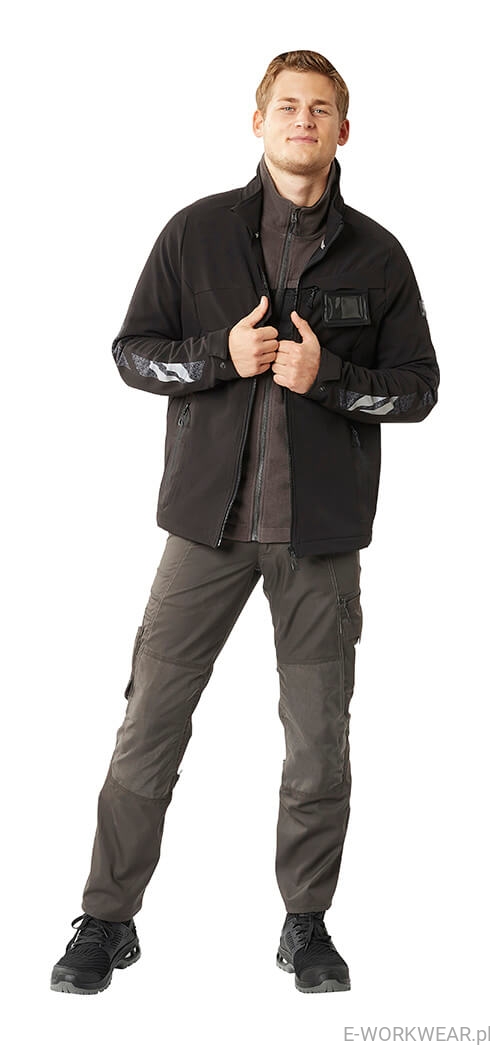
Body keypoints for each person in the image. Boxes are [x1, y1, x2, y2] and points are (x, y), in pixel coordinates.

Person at [50, 49, 440, 996]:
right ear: (257, 121)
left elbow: (419, 391)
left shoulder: (380, 256)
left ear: (344, 130)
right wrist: (219, 356)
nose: (304, 120)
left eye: (322, 108)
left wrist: (329, 378)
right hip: (204, 534)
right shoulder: (195, 234)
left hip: (319, 541)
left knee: (318, 739)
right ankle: (107, 919)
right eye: (288, 105)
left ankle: (306, 924)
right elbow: (131, 354)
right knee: (150, 720)